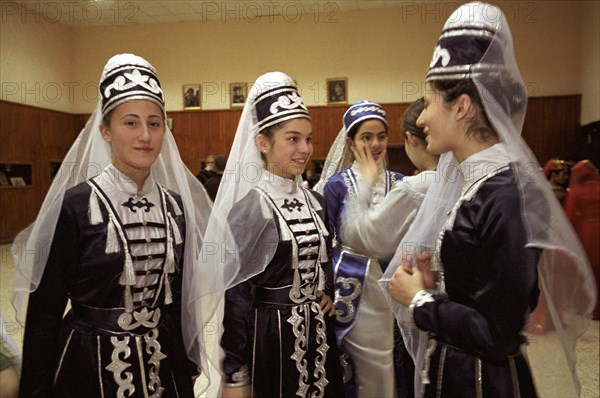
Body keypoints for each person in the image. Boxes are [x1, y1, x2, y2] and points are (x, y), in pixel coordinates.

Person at [380, 3, 596, 397]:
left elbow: (497, 332)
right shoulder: (477, 183)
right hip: (458, 372)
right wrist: (440, 289)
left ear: (461, 107)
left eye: (428, 103)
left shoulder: (506, 193)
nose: (422, 118)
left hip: (480, 381)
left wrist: (421, 301)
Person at [12, 53, 215, 397]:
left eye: (154, 123)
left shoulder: (175, 207)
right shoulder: (75, 206)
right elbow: (44, 313)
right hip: (88, 367)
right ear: (105, 131)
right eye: (131, 123)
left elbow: (180, 302)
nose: (145, 136)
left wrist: (185, 366)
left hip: (162, 367)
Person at [198, 72, 343, 398]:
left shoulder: (316, 203)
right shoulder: (251, 210)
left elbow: (324, 256)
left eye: (308, 138)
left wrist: (326, 291)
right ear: (264, 143)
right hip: (272, 341)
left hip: (319, 337)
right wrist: (236, 375)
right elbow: (236, 301)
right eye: (293, 139)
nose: (304, 148)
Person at [318, 100, 404, 397]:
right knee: (359, 368)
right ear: (351, 142)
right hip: (353, 289)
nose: (375, 144)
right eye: (366, 137)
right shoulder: (336, 186)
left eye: (381, 136)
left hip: (394, 286)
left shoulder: (401, 183)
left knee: (394, 362)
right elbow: (326, 241)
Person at [564, 160, 600, 320]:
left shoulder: (577, 191)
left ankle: (588, 305)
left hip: (585, 232)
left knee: (586, 270)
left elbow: (570, 216)